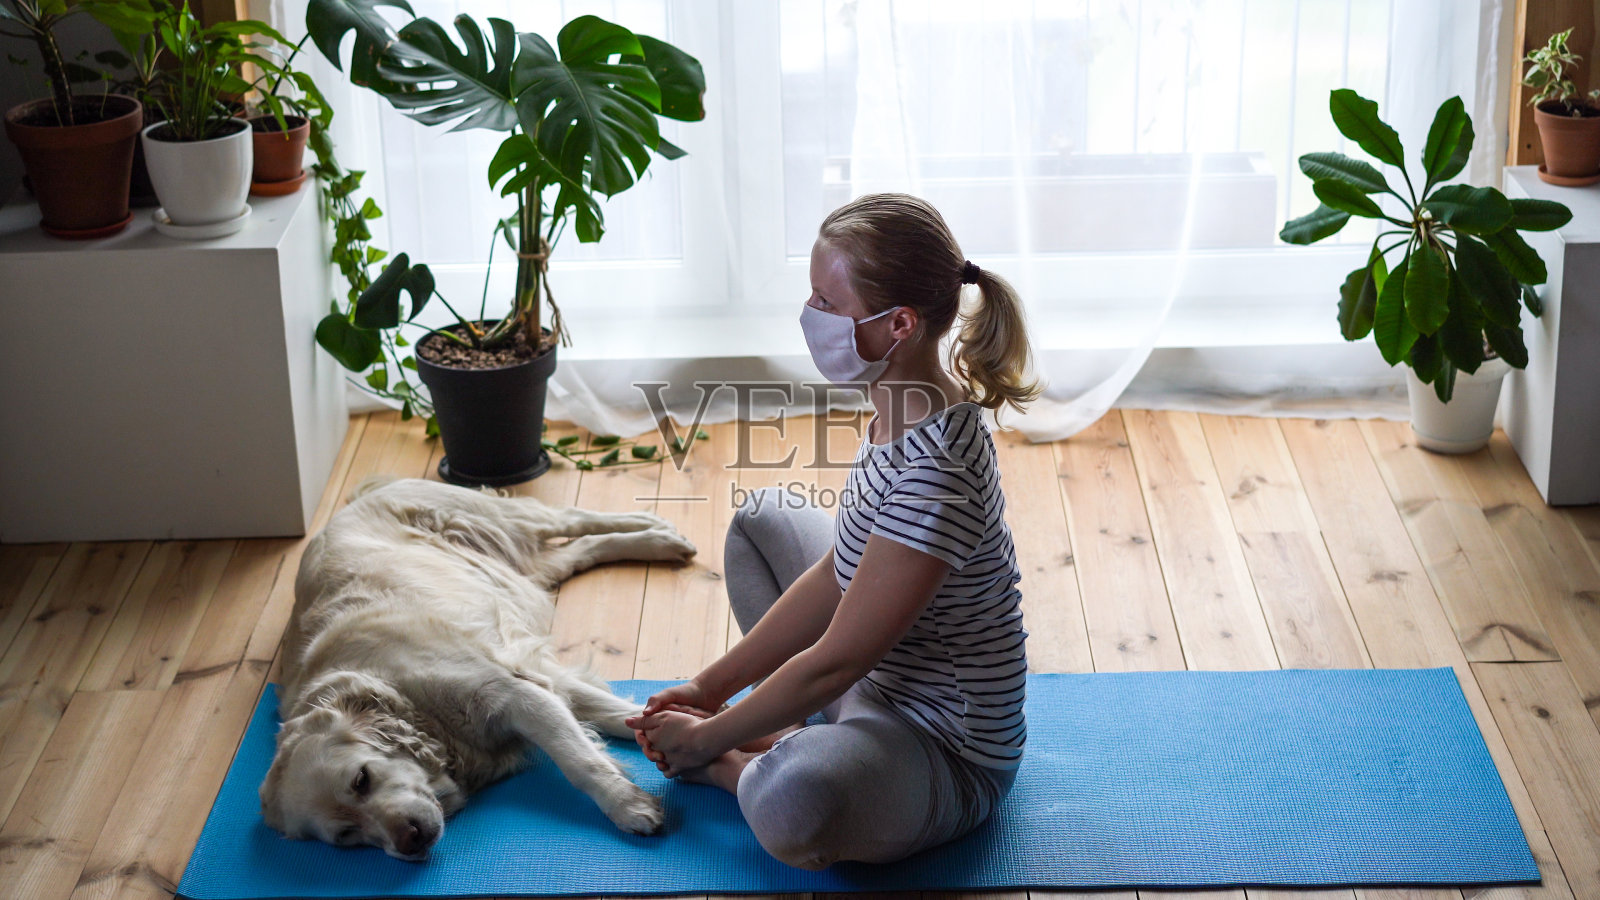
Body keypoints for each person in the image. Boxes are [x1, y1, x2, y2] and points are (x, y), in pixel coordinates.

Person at [626, 193, 1040, 870]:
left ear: (899, 324)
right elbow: (835, 574)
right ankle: (784, 731)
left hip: (943, 752)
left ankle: (745, 766)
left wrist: (709, 742)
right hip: (870, 686)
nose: (810, 317)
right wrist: (707, 688)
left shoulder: (940, 470)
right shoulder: (901, 406)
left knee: (796, 803)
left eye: (826, 302)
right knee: (763, 521)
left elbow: (838, 659)